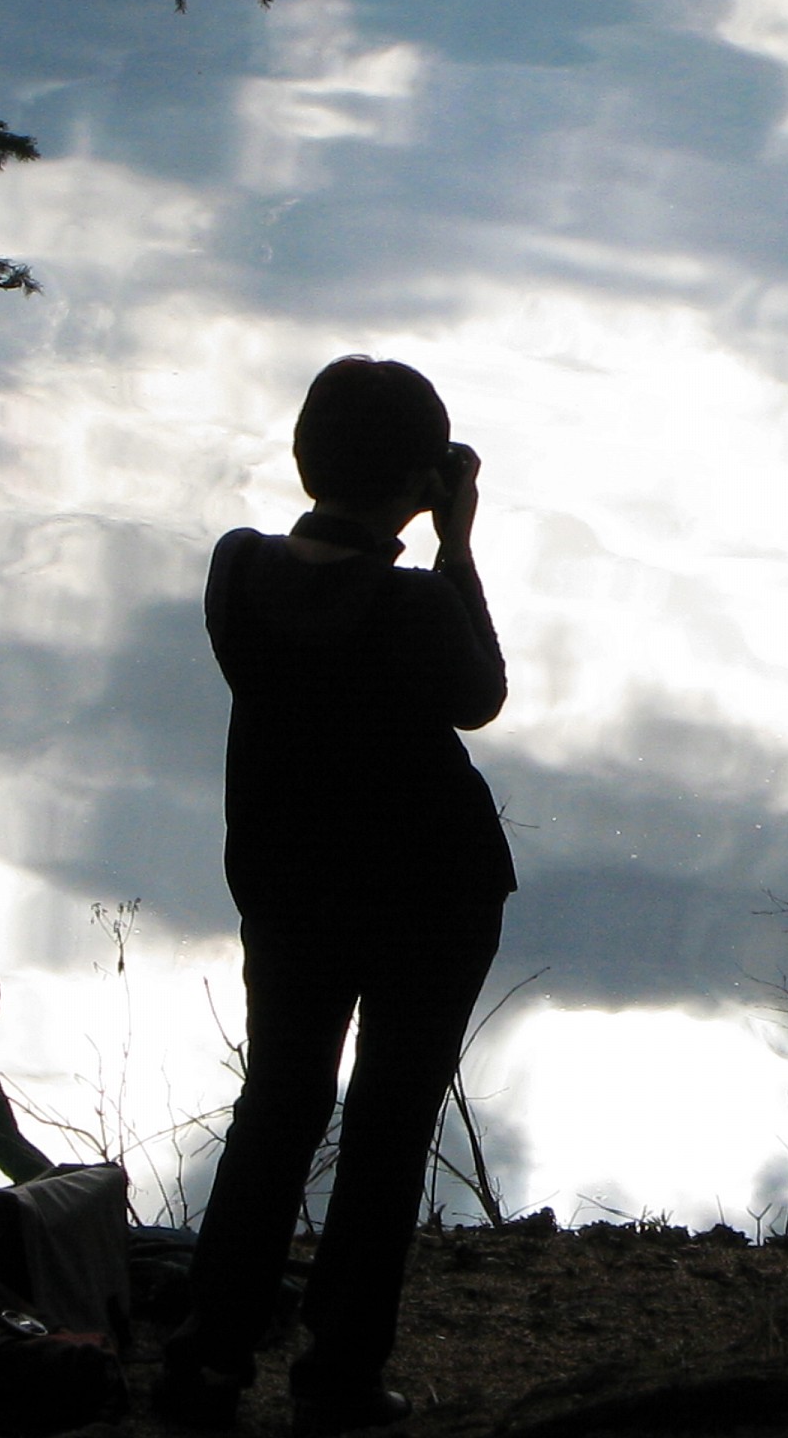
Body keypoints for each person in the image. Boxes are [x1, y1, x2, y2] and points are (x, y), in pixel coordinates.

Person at [161, 357, 512, 1433]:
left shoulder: (236, 573)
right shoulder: (408, 605)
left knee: (278, 1105)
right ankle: (340, 1375)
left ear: (309, 458)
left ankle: (209, 1355)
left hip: (289, 887)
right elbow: (480, 695)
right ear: (421, 477)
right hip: (429, 896)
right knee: (387, 1122)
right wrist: (457, 545)